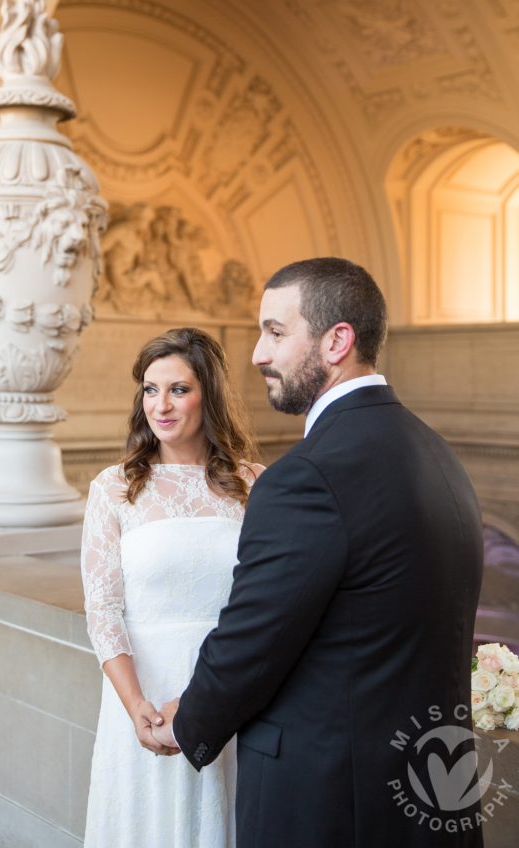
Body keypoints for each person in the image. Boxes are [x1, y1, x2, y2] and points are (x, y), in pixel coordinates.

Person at [152, 258, 485, 847]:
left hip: (332, 802)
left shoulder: (305, 477)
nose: (257, 354)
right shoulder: (440, 456)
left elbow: (254, 638)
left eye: (276, 332)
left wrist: (188, 721)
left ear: (337, 341)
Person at [80, 327, 264, 848]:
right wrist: (136, 704)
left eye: (179, 389)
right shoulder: (114, 487)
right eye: (150, 389)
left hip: (230, 685)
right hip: (146, 690)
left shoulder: (255, 483)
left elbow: (271, 599)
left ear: (210, 394)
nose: (161, 405)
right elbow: (103, 607)